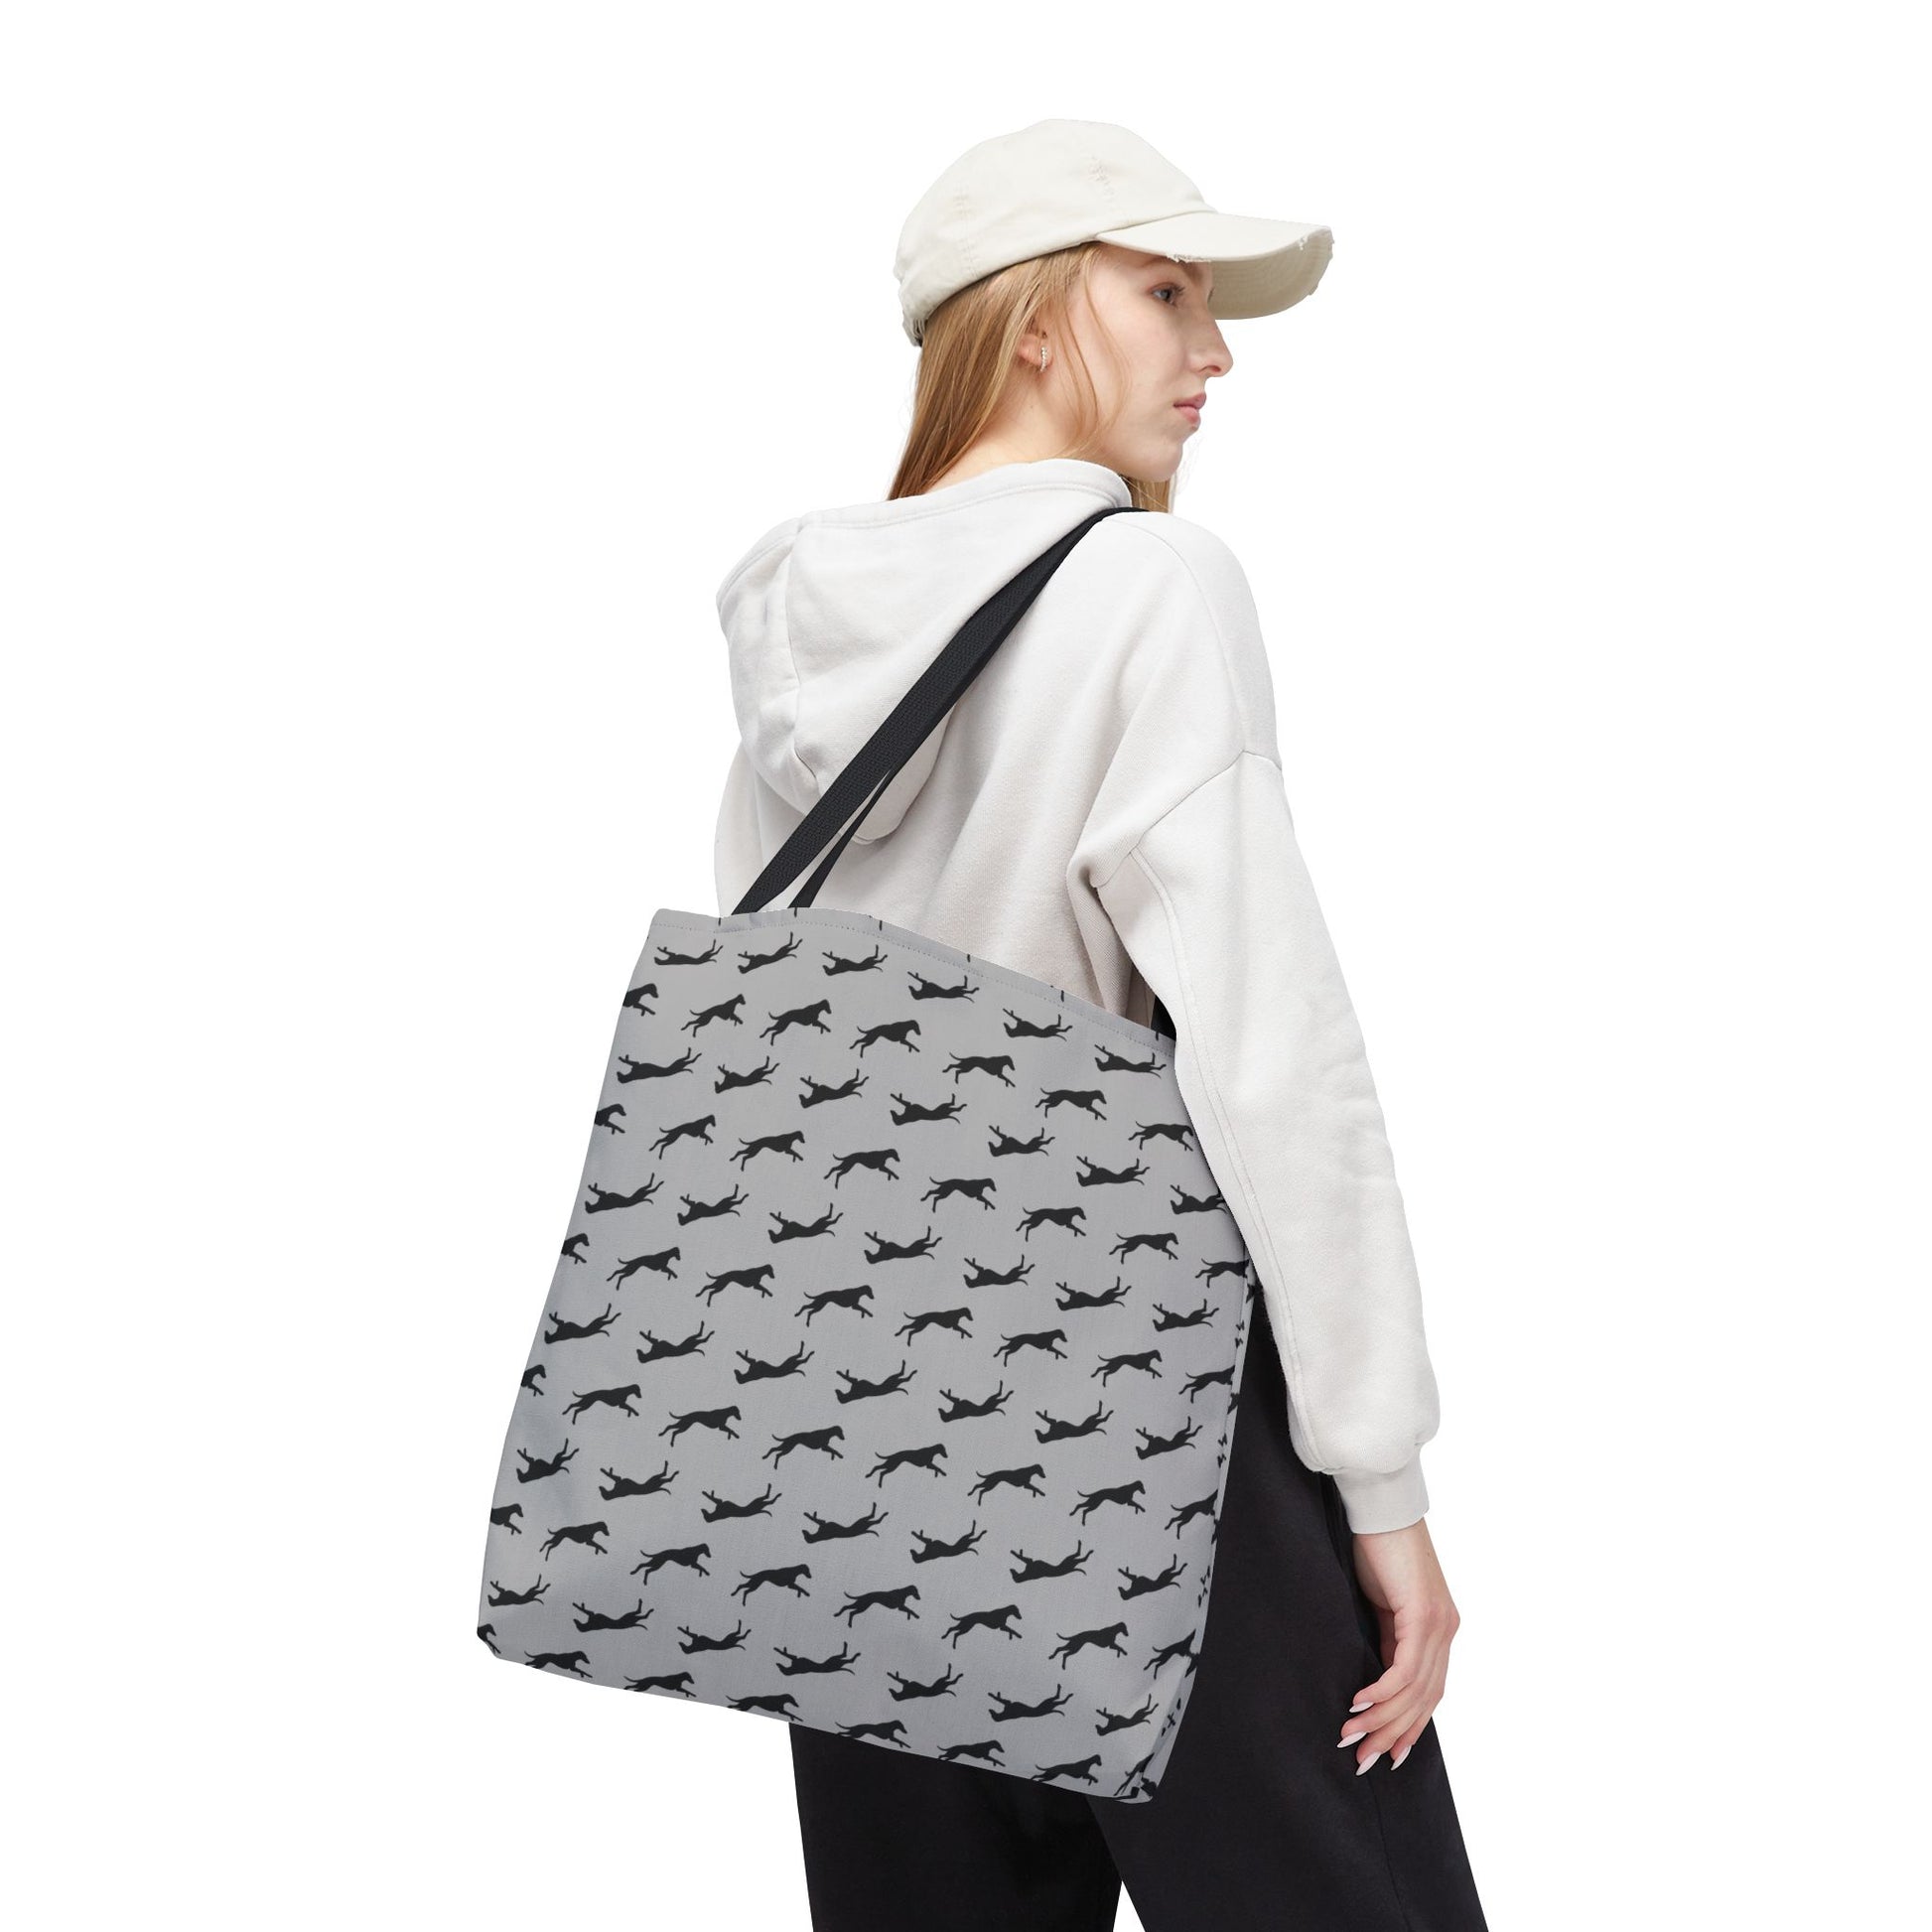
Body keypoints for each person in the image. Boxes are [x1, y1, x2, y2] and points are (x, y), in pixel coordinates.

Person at [711, 119, 1489, 1932]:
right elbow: (1272, 1059)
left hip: (844, 1402)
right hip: (1134, 1376)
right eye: (1165, 294)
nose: (1213, 353)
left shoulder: (794, 626)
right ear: (1036, 318)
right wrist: (1377, 1480)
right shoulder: (1148, 584)